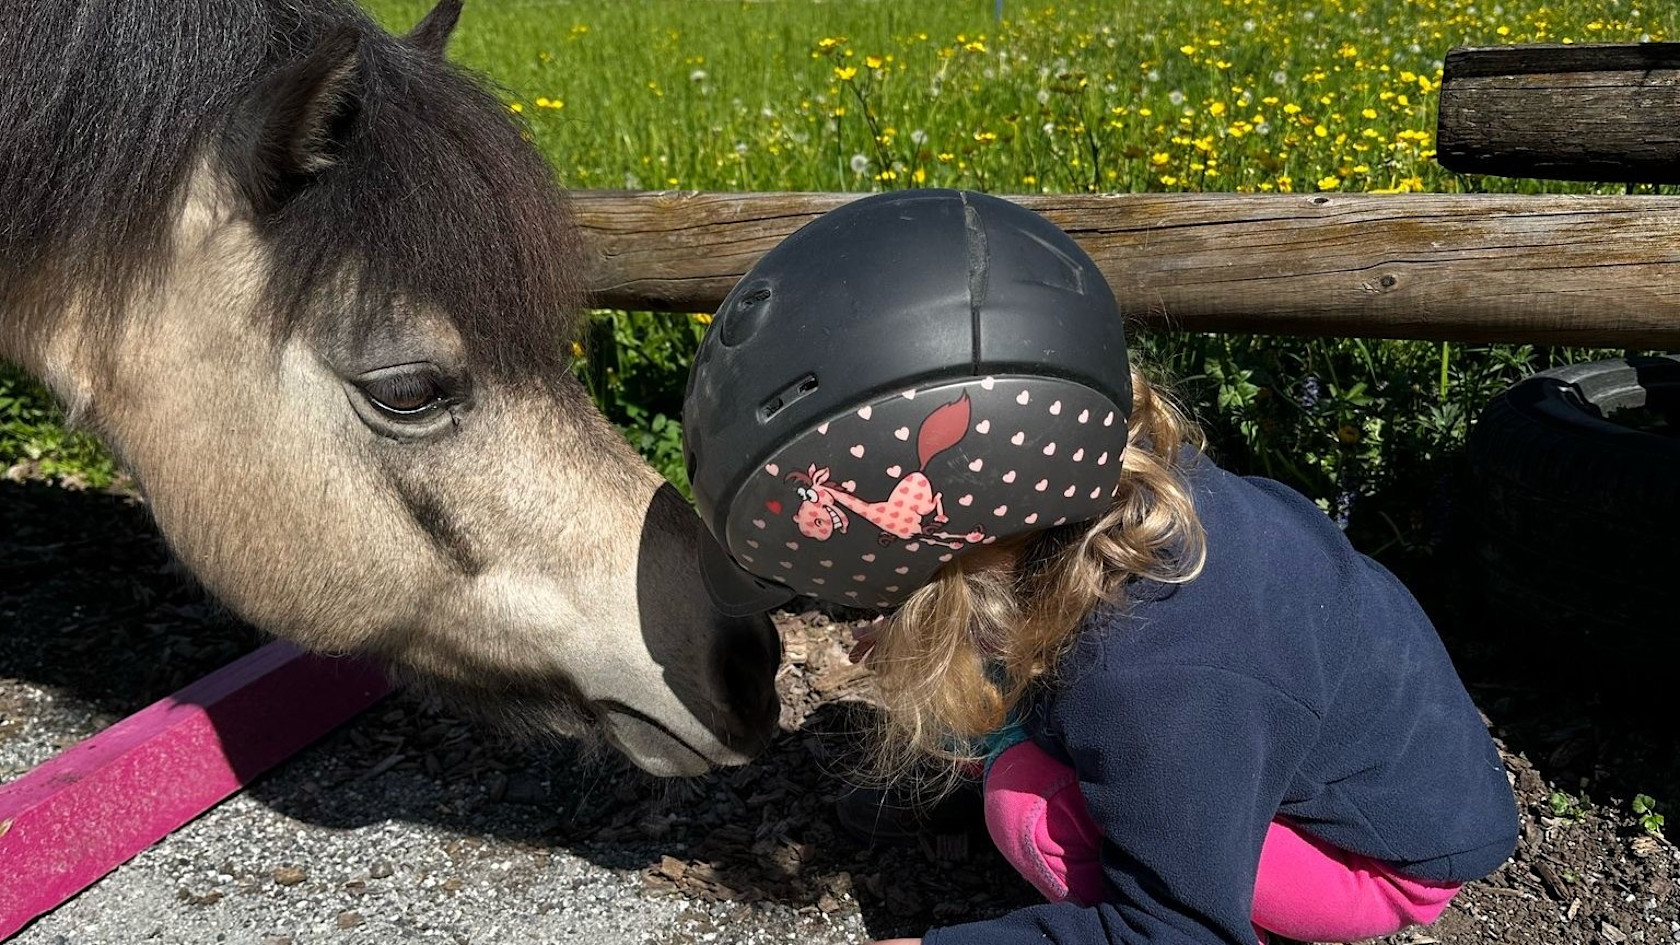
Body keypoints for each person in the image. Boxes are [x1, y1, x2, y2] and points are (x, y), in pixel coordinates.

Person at [682, 189, 1519, 945]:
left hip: (1370, 861)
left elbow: (1175, 927)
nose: (867, 619)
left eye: (892, 597)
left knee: (1023, 804)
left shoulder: (1164, 671)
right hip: (1258, 737)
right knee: (986, 693)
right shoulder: (1119, 500)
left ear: (959, 543)